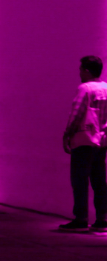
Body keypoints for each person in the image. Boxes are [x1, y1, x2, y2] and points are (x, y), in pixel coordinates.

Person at [60, 56, 107, 232]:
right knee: (100, 181)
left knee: (79, 180)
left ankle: (81, 218)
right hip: (102, 142)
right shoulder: (106, 88)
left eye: (81, 69)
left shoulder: (85, 89)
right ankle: (102, 218)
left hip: (84, 140)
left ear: (87, 70)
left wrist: (67, 134)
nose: (79, 73)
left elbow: (77, 113)